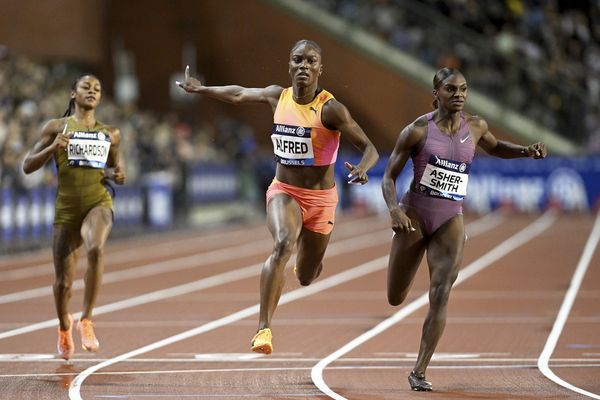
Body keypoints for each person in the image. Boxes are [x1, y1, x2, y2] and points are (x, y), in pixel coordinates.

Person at [177, 39, 379, 354]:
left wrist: (364, 168)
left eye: (311, 61)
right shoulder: (277, 96)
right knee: (283, 243)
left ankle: (307, 263)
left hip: (321, 200)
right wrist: (202, 90)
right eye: (298, 60)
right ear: (289, 65)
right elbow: (239, 93)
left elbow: (370, 148)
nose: (304, 66)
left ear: (320, 68)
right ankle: (263, 329)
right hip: (284, 191)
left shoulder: (331, 109)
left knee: (308, 275)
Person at [381, 67, 546, 391]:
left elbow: (495, 146)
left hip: (450, 218)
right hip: (415, 214)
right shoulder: (416, 131)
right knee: (395, 296)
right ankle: (417, 360)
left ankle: (419, 370)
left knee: (440, 293)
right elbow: (388, 177)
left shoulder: (476, 125)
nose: (459, 95)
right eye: (451, 90)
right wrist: (394, 209)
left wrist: (524, 150)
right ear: (436, 94)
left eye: (464, 90)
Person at [22, 74, 126, 360]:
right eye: (86, 87)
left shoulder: (111, 133)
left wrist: (118, 173)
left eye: (98, 88)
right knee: (62, 283)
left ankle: (87, 320)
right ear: (73, 93)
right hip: (67, 208)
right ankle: (63, 327)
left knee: (96, 247)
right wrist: (52, 148)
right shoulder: (56, 127)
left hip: (98, 201)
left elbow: (118, 167)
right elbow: (27, 166)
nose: (92, 92)